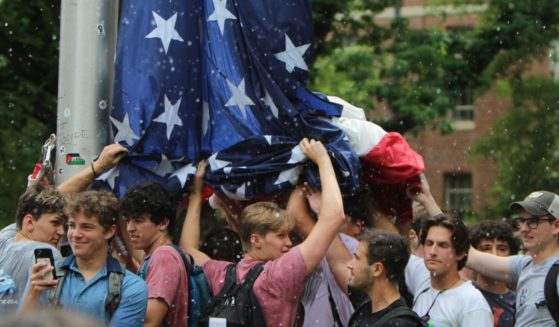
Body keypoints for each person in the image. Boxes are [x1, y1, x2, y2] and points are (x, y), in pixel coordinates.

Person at [181, 138, 346, 326]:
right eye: (280, 235)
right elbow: (334, 217)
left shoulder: (222, 274)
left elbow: (187, 249)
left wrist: (196, 195)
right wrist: (323, 160)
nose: (289, 243)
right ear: (256, 240)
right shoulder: (279, 274)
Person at [19, 190, 147, 326]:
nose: (75, 234)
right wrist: (33, 293)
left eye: (86, 227)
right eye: (72, 225)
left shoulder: (131, 287)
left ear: (110, 231)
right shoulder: (47, 274)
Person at [467, 190, 559, 326]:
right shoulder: (523, 266)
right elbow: (468, 254)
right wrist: (428, 199)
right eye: (522, 221)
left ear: (556, 226)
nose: (524, 229)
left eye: (533, 222)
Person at [121, 182, 189, 327]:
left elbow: (149, 321)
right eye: (127, 221)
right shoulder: (160, 255)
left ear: (163, 223)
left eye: (138, 221)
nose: (130, 228)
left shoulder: (164, 257)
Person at [405, 214, 493, 326]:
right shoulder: (423, 282)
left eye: (442, 245)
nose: (432, 251)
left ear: (460, 253)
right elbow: (392, 250)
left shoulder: (472, 302)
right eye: (429, 243)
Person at [0, 184, 65, 308]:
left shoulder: (3, 240)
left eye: (65, 225)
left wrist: (34, 191)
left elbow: (21, 218)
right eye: (55, 223)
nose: (62, 231)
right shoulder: (47, 255)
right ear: (29, 222)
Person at [347, 229, 422, 326]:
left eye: (357, 258)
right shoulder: (365, 308)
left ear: (377, 269)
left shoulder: (400, 323)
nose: (349, 264)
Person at [469, 221, 519, 327]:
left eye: (502, 249)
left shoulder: (519, 304)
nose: (494, 254)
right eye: (486, 248)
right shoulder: (462, 294)